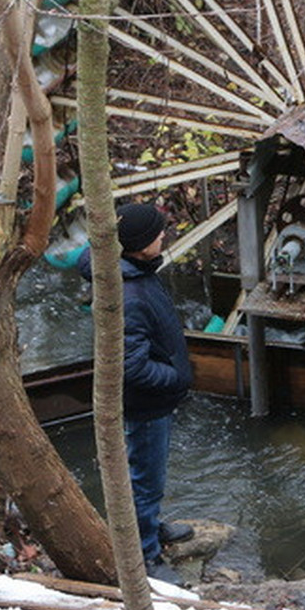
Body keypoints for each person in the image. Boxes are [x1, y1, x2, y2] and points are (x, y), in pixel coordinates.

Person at [79, 203, 195, 585]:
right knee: (145, 478)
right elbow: (131, 367)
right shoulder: (128, 295)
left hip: (152, 402)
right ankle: (146, 555)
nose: (165, 235)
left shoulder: (134, 273)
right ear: (139, 244)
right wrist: (176, 377)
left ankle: (152, 525)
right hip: (145, 406)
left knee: (147, 474)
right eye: (158, 233)